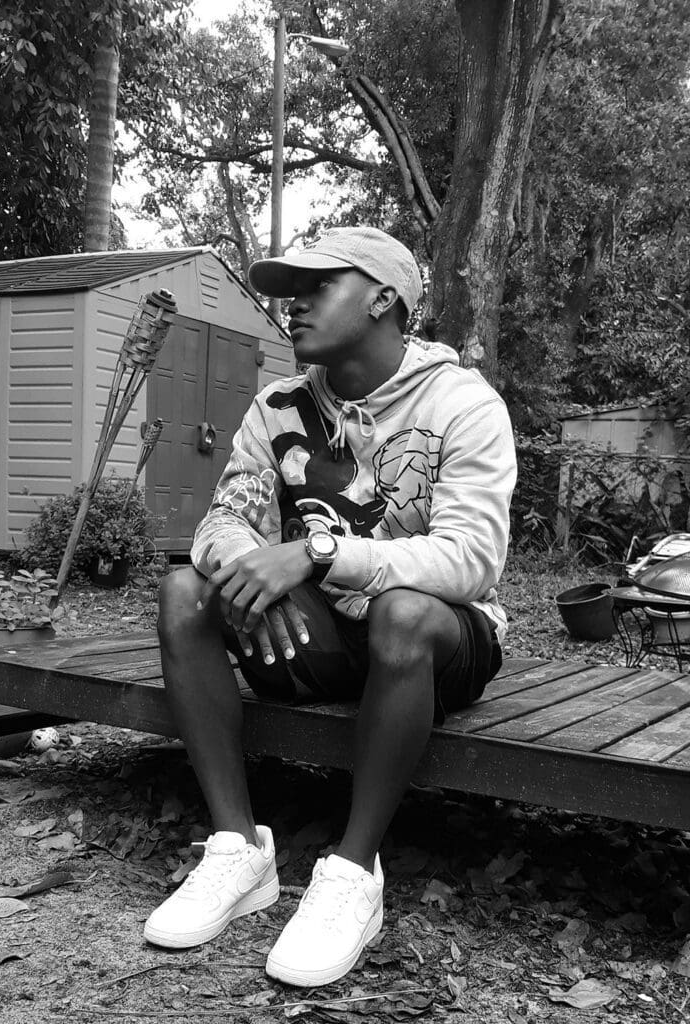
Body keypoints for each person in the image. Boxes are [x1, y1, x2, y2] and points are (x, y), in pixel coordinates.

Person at [144, 226, 517, 987]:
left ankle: (352, 871)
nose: (295, 304)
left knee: (402, 612)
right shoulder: (276, 405)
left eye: (318, 287)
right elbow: (223, 521)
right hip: (317, 638)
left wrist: (315, 555)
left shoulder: (461, 402)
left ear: (382, 298)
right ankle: (237, 850)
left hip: (436, 642)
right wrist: (254, 571)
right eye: (292, 289)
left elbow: (471, 561)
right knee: (186, 591)